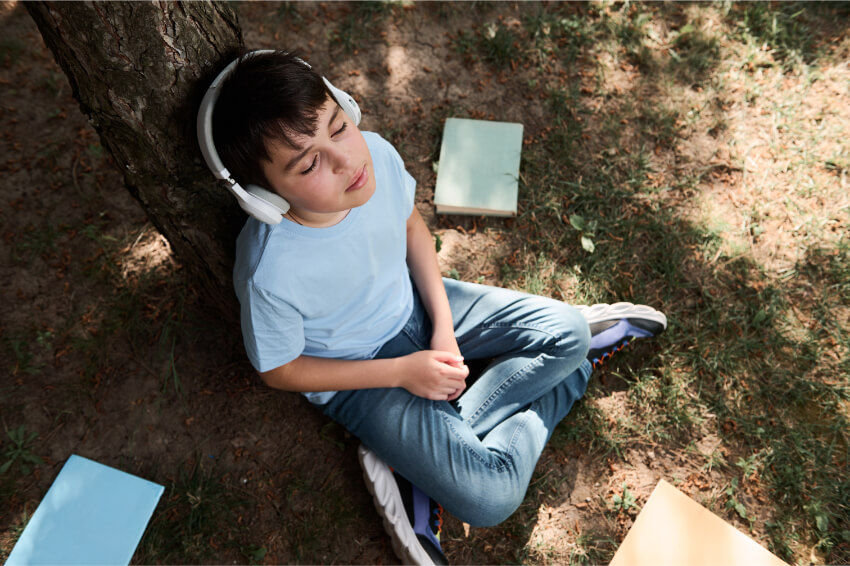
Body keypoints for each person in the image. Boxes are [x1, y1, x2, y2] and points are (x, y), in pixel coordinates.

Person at [197, 50, 667, 565]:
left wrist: (442, 327)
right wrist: (402, 372)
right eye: (309, 164)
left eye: (338, 127)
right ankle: (569, 381)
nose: (346, 160)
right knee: (491, 498)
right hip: (363, 375)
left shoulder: (372, 154)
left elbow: (410, 227)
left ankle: (422, 463)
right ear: (263, 195)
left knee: (570, 334)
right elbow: (280, 369)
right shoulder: (270, 267)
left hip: (421, 305)